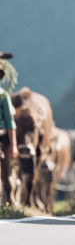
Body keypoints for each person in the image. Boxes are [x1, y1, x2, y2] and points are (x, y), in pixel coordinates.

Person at [0, 62, 18, 203]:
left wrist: (13, 144)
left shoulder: (3, 96)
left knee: (5, 172)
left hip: (1, 136)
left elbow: (10, 121)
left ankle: (9, 199)